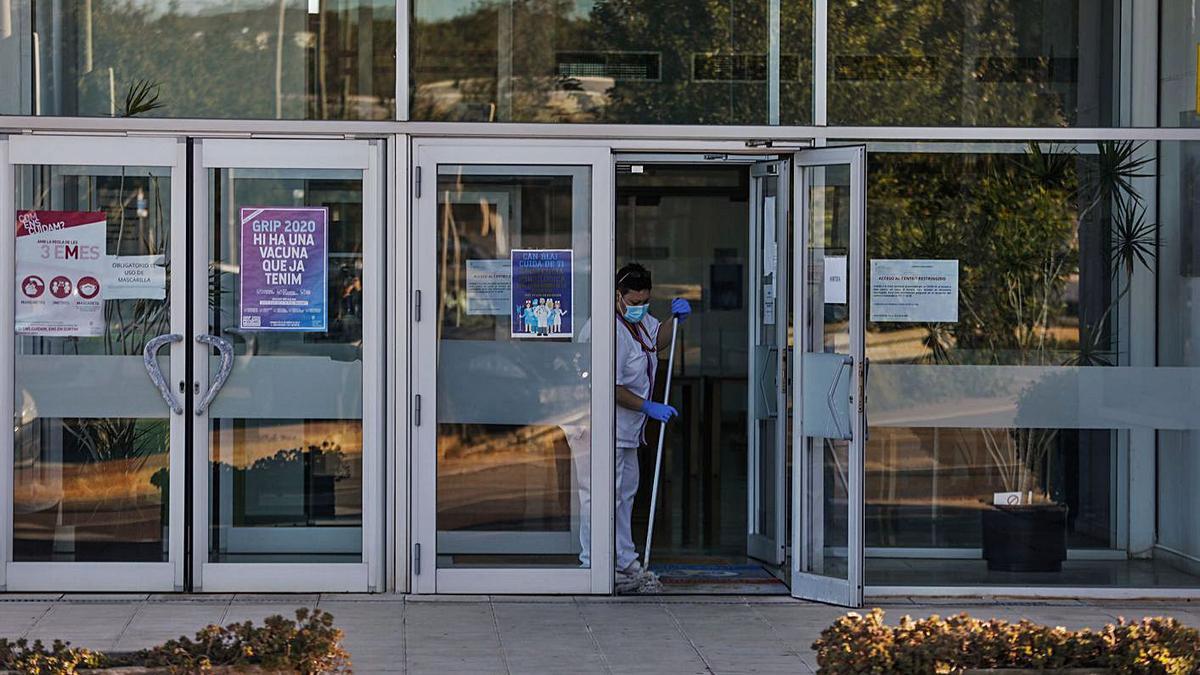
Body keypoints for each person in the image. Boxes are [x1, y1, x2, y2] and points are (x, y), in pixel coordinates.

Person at [612, 262, 691, 592]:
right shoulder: (608, 329)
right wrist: (647, 405)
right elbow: (611, 386)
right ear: (618, 296)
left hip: (630, 430)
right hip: (607, 428)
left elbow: (656, 341)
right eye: (633, 301)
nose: (639, 307)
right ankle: (597, 562)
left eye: (645, 301)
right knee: (604, 497)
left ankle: (623, 558)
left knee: (626, 493)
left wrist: (676, 321)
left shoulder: (640, 320)